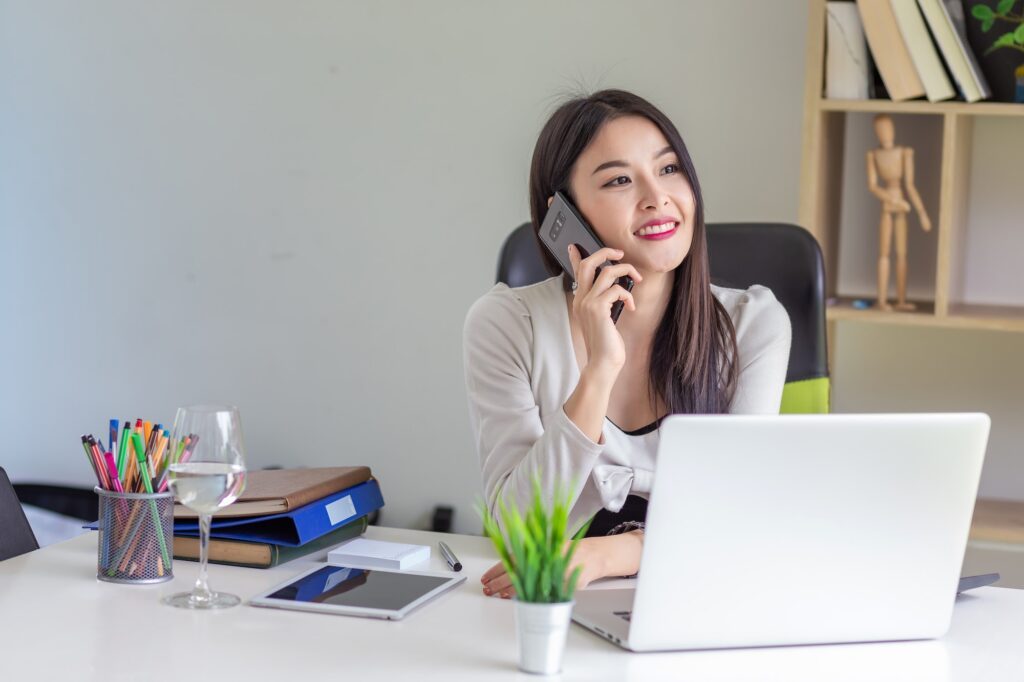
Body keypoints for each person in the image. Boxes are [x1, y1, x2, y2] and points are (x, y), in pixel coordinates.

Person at [463, 90, 791, 598]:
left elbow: (739, 516)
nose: (656, 197)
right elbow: (515, 531)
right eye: (619, 179)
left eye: (669, 169)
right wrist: (599, 370)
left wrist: (609, 554)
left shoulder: (752, 324)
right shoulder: (507, 324)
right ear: (563, 216)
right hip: (548, 605)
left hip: (704, 597)